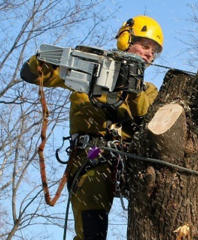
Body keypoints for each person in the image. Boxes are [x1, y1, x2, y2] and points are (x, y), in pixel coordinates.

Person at [20, 15, 164, 240]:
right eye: (145, 46)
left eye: (154, 51)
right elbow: (32, 73)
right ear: (126, 40)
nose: (149, 54)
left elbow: (147, 117)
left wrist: (132, 86)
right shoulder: (91, 72)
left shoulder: (148, 90)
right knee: (92, 231)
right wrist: (66, 59)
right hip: (95, 154)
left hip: (132, 162)